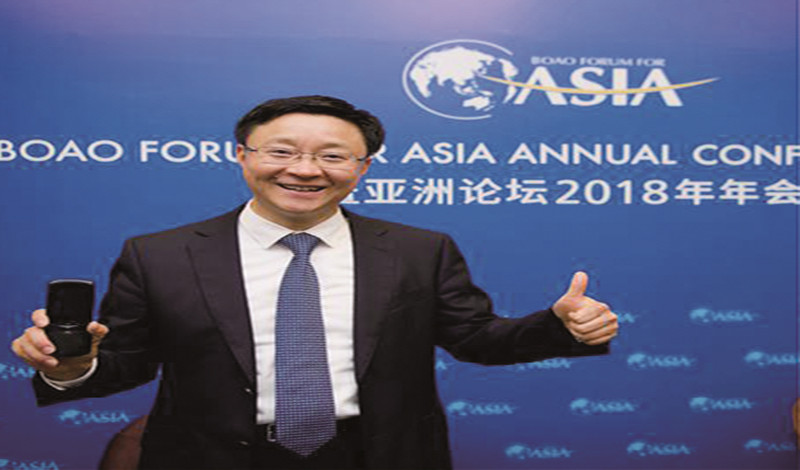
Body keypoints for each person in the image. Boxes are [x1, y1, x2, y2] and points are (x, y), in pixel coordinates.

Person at [11, 95, 619, 470]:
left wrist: (560, 327)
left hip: (375, 454)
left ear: (362, 167)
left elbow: (476, 338)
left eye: (333, 156)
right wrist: (71, 365)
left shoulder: (419, 250)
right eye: (281, 151)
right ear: (243, 155)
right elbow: (127, 364)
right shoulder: (159, 254)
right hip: (211, 456)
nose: (305, 170)